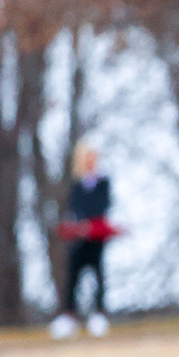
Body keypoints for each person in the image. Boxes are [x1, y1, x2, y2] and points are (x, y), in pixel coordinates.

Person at [49, 144, 122, 339]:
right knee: (73, 276)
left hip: (96, 239)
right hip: (78, 239)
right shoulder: (76, 184)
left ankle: (98, 315)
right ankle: (68, 317)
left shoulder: (103, 182)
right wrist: (77, 227)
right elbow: (74, 207)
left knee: (98, 275)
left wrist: (91, 225)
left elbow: (104, 205)